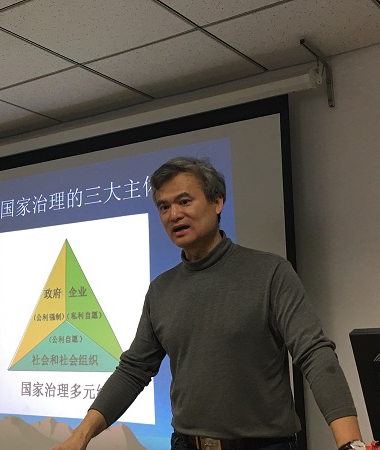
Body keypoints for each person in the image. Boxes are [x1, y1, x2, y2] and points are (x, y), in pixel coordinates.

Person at [53, 156, 365, 450]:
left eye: (184, 201)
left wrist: (351, 444)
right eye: (164, 207)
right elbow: (134, 370)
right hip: (185, 443)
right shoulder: (160, 290)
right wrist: (81, 436)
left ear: (217, 202)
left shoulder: (270, 273)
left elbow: (314, 354)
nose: (173, 215)